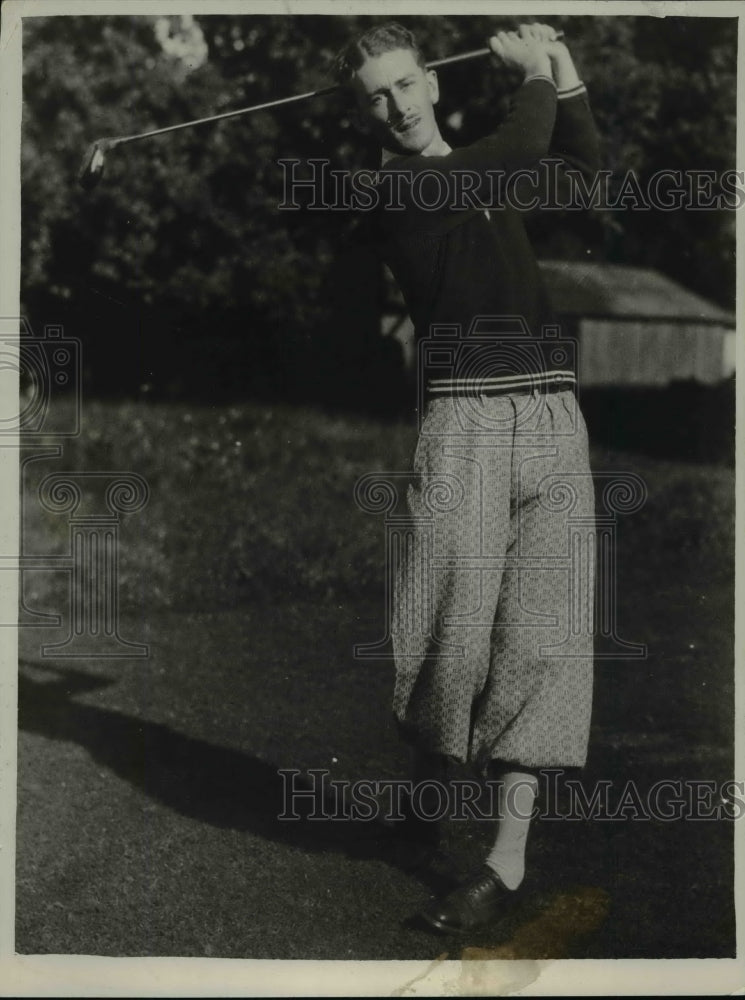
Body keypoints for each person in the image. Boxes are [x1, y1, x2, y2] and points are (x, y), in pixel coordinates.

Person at [333, 21, 600, 935]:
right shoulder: (397, 190)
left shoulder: (480, 170)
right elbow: (523, 143)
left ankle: (503, 865)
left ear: (433, 86)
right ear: (362, 112)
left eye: (406, 84)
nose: (397, 104)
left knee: (541, 642)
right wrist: (532, 72)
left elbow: (584, 173)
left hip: (555, 418)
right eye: (376, 94)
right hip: (465, 425)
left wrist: (564, 77)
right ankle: (426, 786)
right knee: (448, 636)